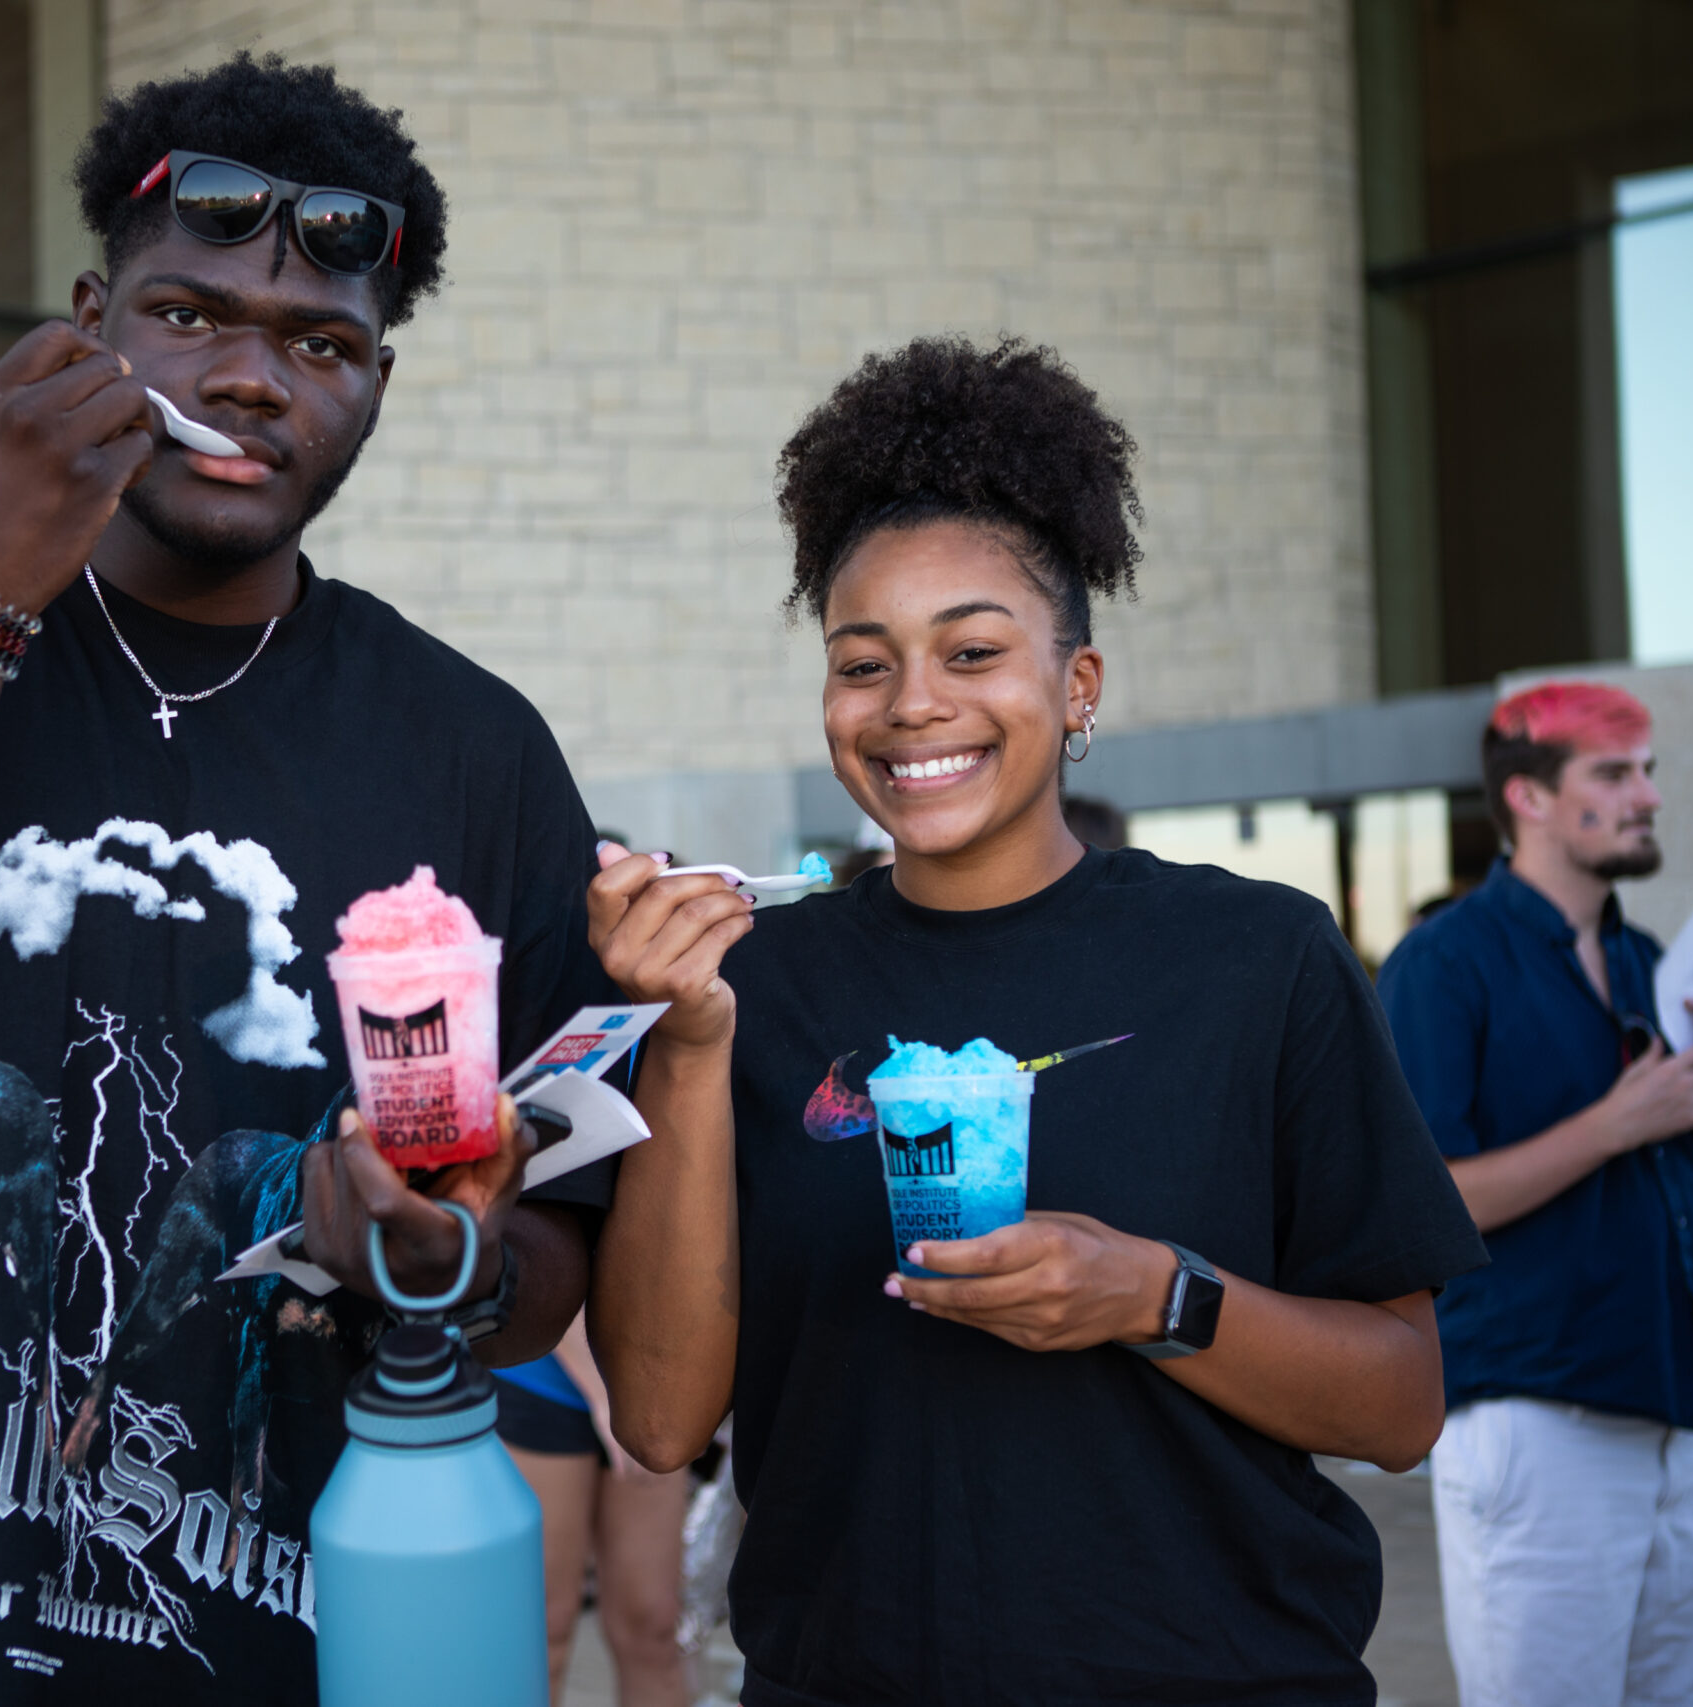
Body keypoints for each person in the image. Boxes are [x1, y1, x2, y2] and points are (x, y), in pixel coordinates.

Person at [0, 55, 611, 1704]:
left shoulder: (475, 752)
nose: (256, 376)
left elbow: (552, 1251)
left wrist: (445, 1258)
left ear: (376, 384)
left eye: (322, 344)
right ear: (90, 318)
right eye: (193, 312)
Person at [579, 334, 1488, 1705]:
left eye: (974, 649)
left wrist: (1154, 1293)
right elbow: (656, 1419)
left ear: (1078, 688)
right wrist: (690, 1044)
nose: (914, 704)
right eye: (862, 662)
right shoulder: (752, 985)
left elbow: (1402, 1401)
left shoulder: (1257, 956)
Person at [1376, 683, 1693, 1707]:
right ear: (1531, 799)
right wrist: (1615, 1122)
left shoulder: (1646, 962)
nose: (1648, 796)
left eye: (1648, 772)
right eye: (1614, 773)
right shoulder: (1439, 966)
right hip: (1537, 1426)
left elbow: (1680, 1196)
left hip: (1680, 1415)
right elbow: (1427, 1209)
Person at [494, 1310, 694, 1707]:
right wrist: (605, 1395)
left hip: (656, 1375)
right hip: (540, 1367)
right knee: (541, 1634)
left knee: (653, 1625)